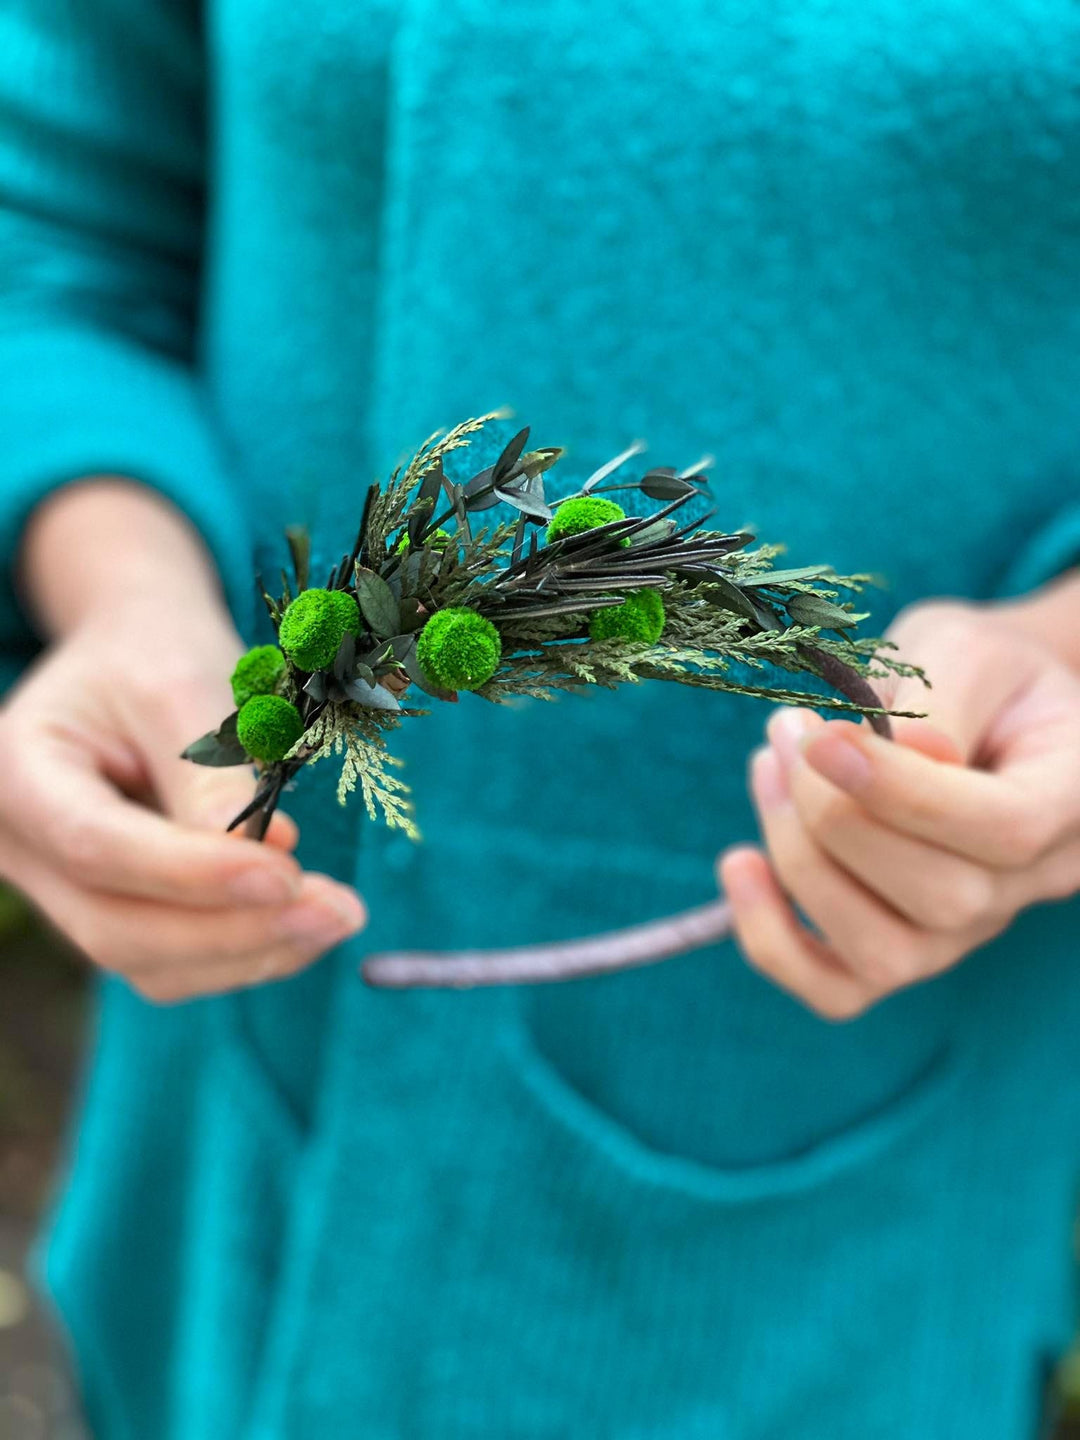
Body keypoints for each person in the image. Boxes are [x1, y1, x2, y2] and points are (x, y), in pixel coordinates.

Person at [2, 2, 1080, 1436]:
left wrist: (1057, 654)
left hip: (848, 1194)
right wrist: (120, 595)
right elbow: (63, 224)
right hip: (230, 1154)